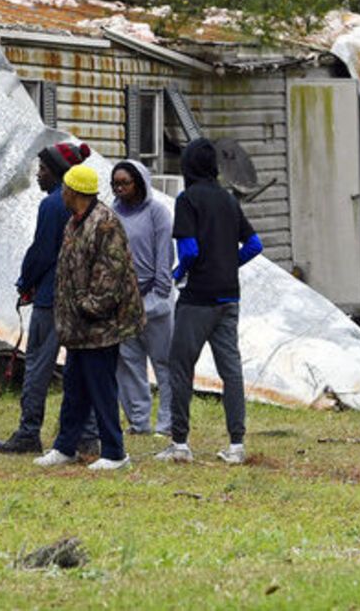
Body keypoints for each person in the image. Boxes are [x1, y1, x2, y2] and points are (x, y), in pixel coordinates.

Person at [156, 138, 263, 466]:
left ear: (188, 167)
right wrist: (229, 263)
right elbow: (255, 244)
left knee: (180, 367)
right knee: (230, 370)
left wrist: (178, 273)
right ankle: (236, 445)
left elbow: (188, 250)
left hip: (198, 298)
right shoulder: (229, 200)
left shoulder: (188, 200)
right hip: (229, 296)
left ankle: (180, 443)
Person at [0, 141, 99, 456]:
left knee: (38, 366)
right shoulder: (91, 205)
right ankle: (88, 437)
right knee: (81, 368)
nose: (38, 176)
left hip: (51, 299)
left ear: (59, 174)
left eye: (42, 169)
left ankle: (28, 432)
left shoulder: (53, 205)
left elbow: (41, 252)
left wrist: (26, 281)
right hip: (81, 301)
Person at [34, 163, 144, 471]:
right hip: (78, 327)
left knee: (101, 387)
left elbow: (111, 274)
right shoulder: (76, 221)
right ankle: (65, 447)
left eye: (66, 188)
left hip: (100, 326)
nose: (63, 194)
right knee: (75, 388)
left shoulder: (105, 223)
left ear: (75, 192)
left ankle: (115, 452)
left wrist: (86, 306)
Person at [110, 159, 175, 438]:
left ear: (139, 183)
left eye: (125, 182)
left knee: (164, 363)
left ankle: (167, 423)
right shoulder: (112, 213)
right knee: (128, 364)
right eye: (116, 183)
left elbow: (164, 256)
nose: (120, 188)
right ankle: (139, 422)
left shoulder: (157, 213)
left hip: (154, 300)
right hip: (123, 303)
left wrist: (159, 294)